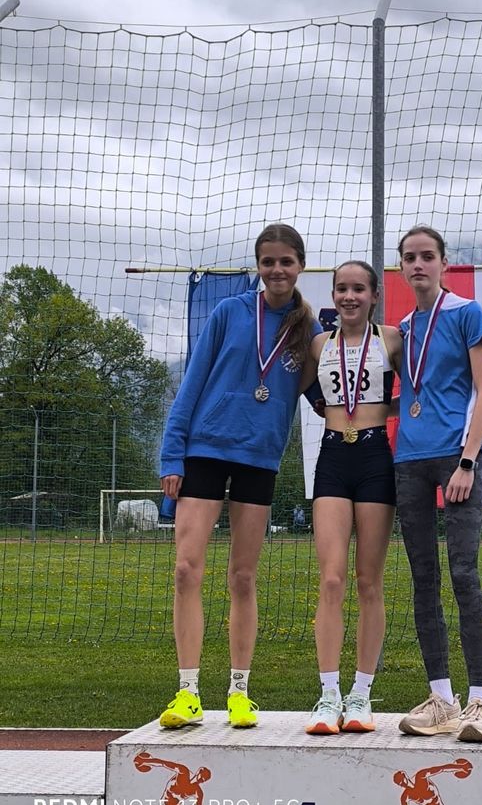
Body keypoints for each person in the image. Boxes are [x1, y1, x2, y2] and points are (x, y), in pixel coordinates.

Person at [158, 223, 321, 729]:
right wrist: (172, 456)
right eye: (268, 261)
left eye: (286, 261)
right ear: (258, 266)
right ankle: (188, 692)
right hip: (205, 451)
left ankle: (239, 692)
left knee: (244, 577)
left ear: (300, 266)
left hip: (259, 458)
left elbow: (326, 396)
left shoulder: (309, 330)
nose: (277, 270)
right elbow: (192, 383)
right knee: (186, 569)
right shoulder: (230, 312)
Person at [394, 225, 482, 743]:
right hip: (409, 461)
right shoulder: (402, 329)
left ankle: (480, 702)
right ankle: (442, 698)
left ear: (443, 262)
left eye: (427, 256)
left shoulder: (465, 313)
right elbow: (410, 394)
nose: (418, 265)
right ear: (401, 266)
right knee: (423, 579)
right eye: (410, 257)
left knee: (463, 573)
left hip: (456, 460)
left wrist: (468, 461)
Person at [304, 261, 402, 735]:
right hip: (332, 458)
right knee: (331, 579)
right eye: (341, 288)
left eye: (358, 289)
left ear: (374, 295)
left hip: (375, 457)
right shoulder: (319, 345)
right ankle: (329, 695)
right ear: (333, 295)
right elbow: (307, 391)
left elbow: (423, 386)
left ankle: (361, 694)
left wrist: (386, 409)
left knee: (369, 582)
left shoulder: (392, 340)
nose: (349, 296)